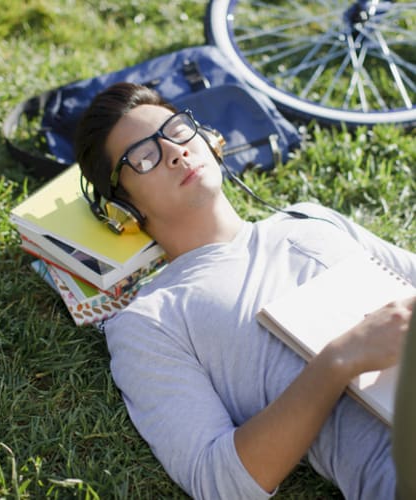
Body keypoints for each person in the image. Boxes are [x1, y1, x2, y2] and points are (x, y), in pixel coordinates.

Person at [75, 82, 416, 500]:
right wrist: (340, 359)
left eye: (177, 130)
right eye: (145, 157)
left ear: (210, 141)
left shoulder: (308, 218)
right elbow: (217, 481)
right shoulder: (150, 320)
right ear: (123, 210)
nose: (174, 152)